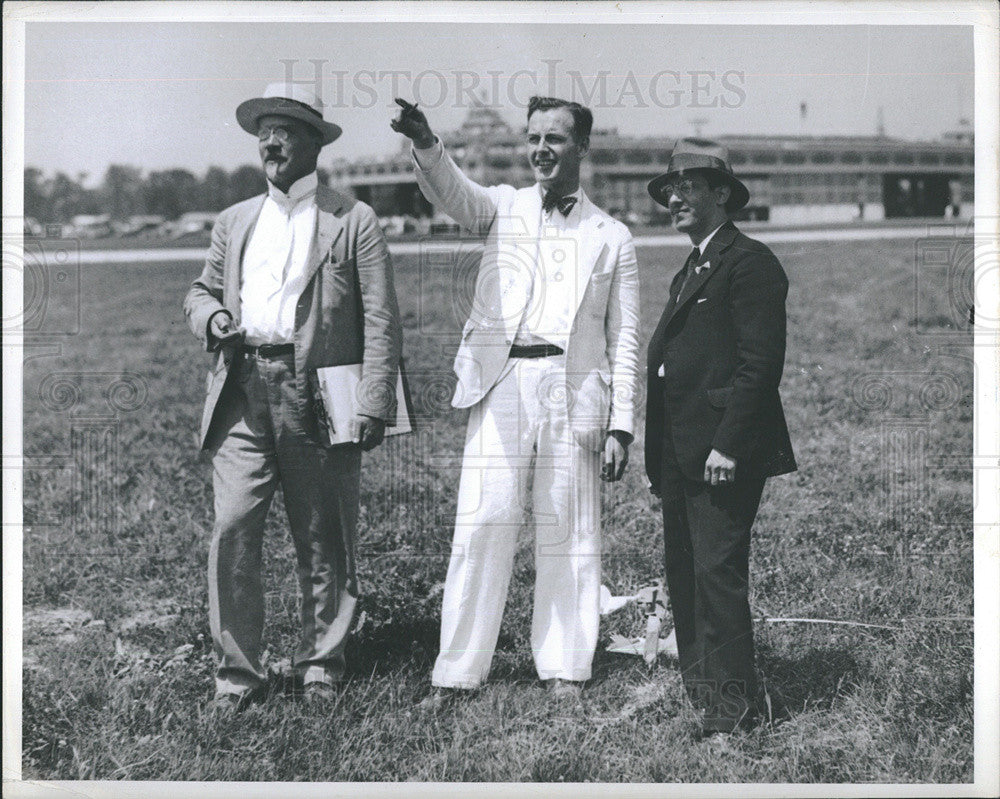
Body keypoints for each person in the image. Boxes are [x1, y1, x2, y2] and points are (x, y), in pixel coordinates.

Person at [391, 96, 640, 704]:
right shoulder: (504, 206)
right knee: (482, 523)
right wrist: (427, 140)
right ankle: (457, 672)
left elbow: (625, 338)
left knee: (569, 532)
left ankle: (565, 668)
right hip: (501, 383)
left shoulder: (612, 235)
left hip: (574, 392)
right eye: (533, 138)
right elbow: (451, 191)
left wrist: (621, 425)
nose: (541, 150)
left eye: (555, 138)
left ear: (581, 148)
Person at [184, 83, 402, 711]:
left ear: (314, 142)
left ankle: (320, 663)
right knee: (232, 529)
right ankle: (237, 674)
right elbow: (200, 292)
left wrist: (373, 402)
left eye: (285, 131)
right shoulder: (235, 220)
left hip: (319, 393)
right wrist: (214, 319)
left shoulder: (351, 219)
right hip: (242, 388)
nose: (271, 142)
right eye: (263, 132)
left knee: (323, 533)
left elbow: (382, 319)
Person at [644, 138, 796, 737]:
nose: (673, 198)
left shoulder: (750, 261)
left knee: (716, 571)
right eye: (669, 190)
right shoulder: (694, 264)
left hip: (720, 453)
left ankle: (735, 709)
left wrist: (728, 445)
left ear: (721, 193)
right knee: (686, 570)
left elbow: (760, 367)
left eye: (686, 186)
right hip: (682, 452)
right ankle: (704, 691)